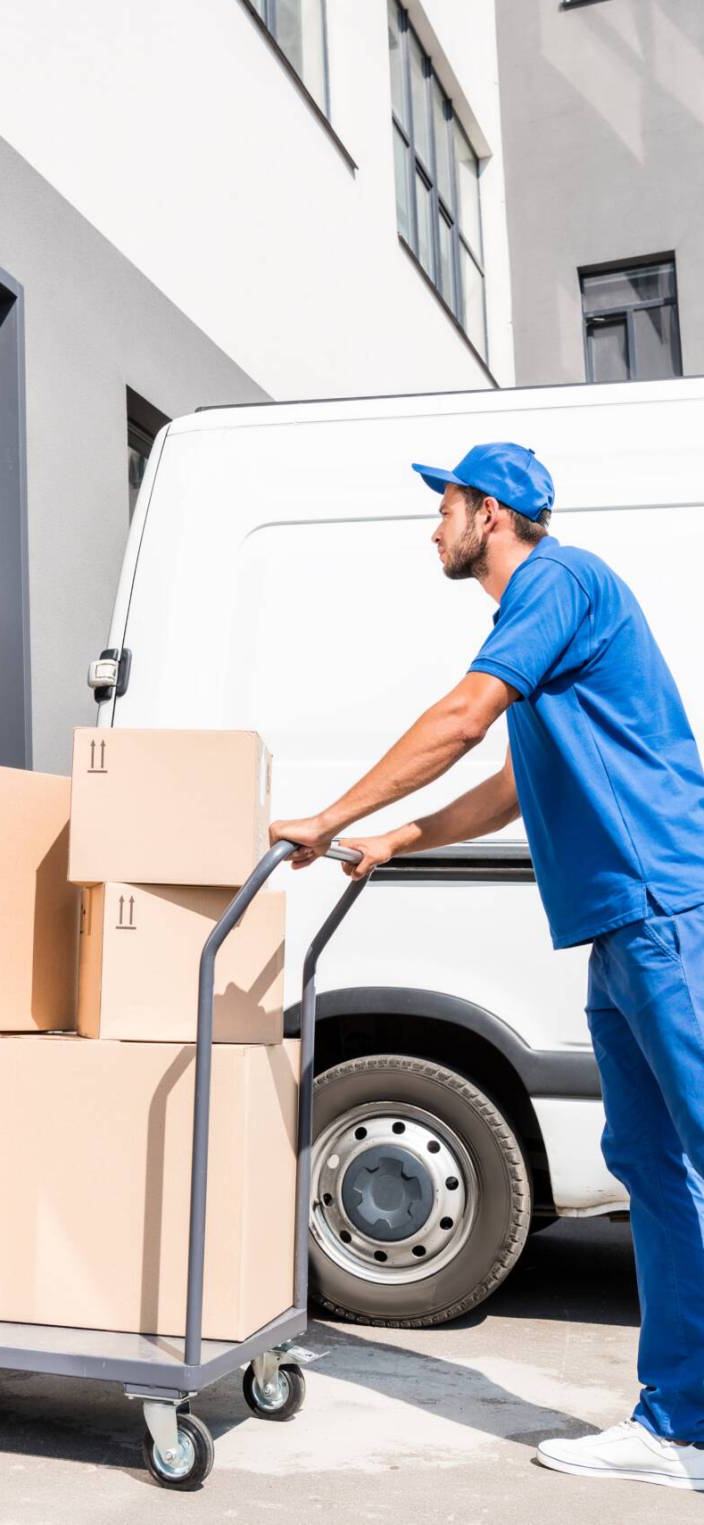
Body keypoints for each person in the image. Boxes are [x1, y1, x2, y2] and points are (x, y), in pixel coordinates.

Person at [269, 441, 704, 1491]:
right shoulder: (548, 632)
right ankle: (675, 1426)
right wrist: (397, 838)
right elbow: (512, 783)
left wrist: (333, 814)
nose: (433, 526)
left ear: (491, 513)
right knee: (649, 1168)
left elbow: (463, 719)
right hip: (616, 924)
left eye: (445, 506)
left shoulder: (555, 580)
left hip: (663, 903)